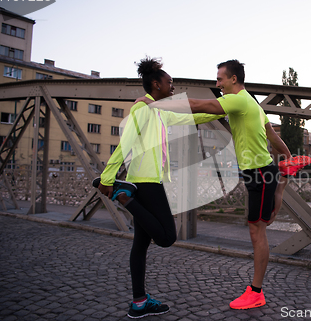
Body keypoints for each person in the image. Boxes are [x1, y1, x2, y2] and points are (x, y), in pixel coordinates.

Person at [137, 60, 292, 310]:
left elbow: (198, 104)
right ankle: (281, 184)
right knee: (264, 222)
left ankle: (256, 292)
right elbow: (270, 134)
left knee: (257, 231)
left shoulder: (239, 99)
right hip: (260, 174)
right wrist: (288, 156)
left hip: (261, 173)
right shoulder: (248, 103)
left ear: (233, 79)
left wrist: (155, 102)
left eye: (220, 79)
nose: (217, 83)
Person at [95, 57, 224, 318]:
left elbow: (192, 116)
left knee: (140, 245)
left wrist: (224, 109)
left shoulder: (159, 113)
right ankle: (124, 198)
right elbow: (124, 144)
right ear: (156, 84)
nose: (173, 87)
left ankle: (139, 303)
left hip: (148, 181)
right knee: (166, 237)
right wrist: (108, 179)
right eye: (170, 83)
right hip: (144, 182)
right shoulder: (141, 110)